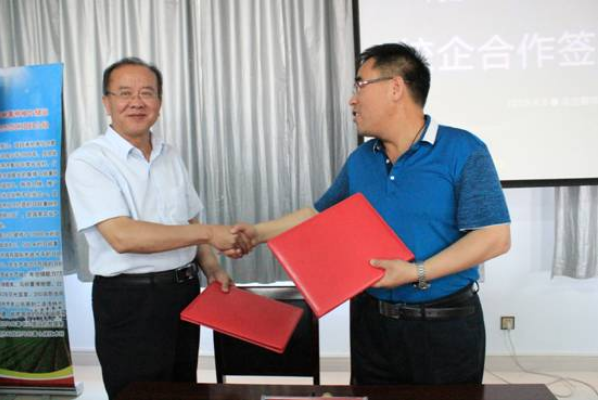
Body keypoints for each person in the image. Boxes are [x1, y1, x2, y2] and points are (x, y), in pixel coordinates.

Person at [231, 43, 511, 385]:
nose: (352, 100)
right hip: (371, 325)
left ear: (395, 87)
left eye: (360, 85)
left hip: (443, 325)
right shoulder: (362, 159)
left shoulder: (463, 150)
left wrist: (414, 272)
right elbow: (317, 213)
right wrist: (257, 234)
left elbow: (494, 237)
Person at [65, 57, 245, 399]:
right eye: (124, 93)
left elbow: (189, 217)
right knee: (139, 393)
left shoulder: (169, 154)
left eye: (147, 93)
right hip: (130, 300)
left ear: (159, 103)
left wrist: (211, 267)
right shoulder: (89, 161)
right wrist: (210, 233)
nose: (137, 102)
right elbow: (123, 236)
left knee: (182, 388)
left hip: (183, 293)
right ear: (107, 103)